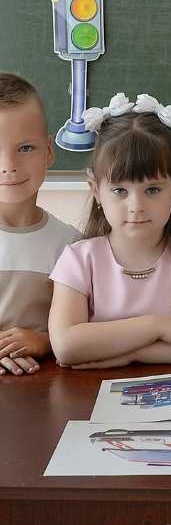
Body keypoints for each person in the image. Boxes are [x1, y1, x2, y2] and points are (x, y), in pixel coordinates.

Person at [48, 92, 171, 368]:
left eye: (152, 190)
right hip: (91, 401)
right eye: (120, 191)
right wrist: (158, 327)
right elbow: (66, 346)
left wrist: (131, 354)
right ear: (95, 190)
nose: (136, 206)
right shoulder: (79, 260)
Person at [0, 73, 79, 376]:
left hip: (43, 387)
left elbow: (84, 326)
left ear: (49, 151)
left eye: (25, 148)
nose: (9, 165)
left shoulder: (72, 245)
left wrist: (44, 342)